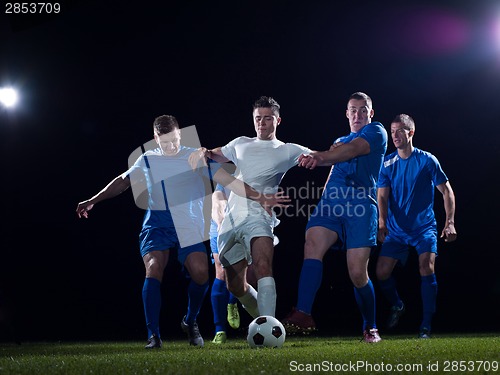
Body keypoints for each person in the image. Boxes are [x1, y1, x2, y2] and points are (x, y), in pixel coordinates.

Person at [75, 115, 288, 349]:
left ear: (180, 135)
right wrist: (93, 200)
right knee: (154, 268)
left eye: (175, 140)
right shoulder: (147, 159)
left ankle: (190, 320)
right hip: (157, 225)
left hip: (189, 226)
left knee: (200, 275)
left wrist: (262, 197)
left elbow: (228, 180)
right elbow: (123, 182)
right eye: (165, 142)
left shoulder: (194, 156)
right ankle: (153, 335)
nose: (171, 146)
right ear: (156, 138)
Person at [189, 96, 312, 321]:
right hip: (232, 219)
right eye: (258, 118)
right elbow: (212, 154)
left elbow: (320, 157)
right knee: (235, 286)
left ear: (278, 121)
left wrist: (342, 151)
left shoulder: (288, 150)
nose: (262, 123)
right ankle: (267, 322)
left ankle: (269, 328)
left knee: (263, 266)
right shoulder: (240, 143)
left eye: (267, 118)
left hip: (260, 216)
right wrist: (202, 152)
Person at [281, 92, 387, 343]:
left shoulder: (376, 132)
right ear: (347, 113)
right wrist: (323, 200)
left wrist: (318, 156)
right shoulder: (339, 139)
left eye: (363, 110)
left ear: (371, 114)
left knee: (357, 273)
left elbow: (350, 151)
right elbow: (334, 166)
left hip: (361, 206)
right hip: (331, 204)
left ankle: (370, 326)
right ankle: (303, 313)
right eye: (353, 110)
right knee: (312, 244)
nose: (358, 114)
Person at [375, 113, 457, 339]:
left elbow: (446, 191)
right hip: (397, 230)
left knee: (426, 267)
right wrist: (382, 223)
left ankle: (426, 326)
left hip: (424, 229)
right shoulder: (388, 162)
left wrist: (449, 222)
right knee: (381, 273)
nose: (394, 136)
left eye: (399, 131)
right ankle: (398, 305)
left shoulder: (427, 160)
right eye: (392, 132)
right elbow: (381, 197)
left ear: (411, 133)